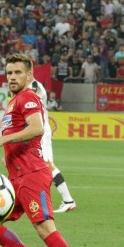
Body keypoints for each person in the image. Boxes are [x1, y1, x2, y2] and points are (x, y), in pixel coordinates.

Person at [0, 54, 89, 247]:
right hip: (16, 176)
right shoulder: (13, 101)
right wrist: (8, 157)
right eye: (9, 73)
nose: (12, 77)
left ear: (29, 75)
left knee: (44, 228)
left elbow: (37, 128)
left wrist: (2, 140)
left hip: (32, 175)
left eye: (18, 72)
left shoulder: (28, 97)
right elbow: (21, 134)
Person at [28, 78, 77, 213]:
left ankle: (68, 200)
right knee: (34, 165)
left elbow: (31, 104)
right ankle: (30, 198)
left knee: (47, 164)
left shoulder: (34, 85)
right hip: (36, 131)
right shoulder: (30, 86)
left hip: (40, 131)